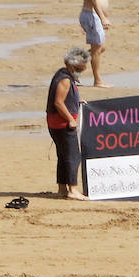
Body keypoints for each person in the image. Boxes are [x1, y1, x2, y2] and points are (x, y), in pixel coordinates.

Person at [47, 47, 90, 201]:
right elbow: (58, 102)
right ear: (75, 66)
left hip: (55, 122)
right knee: (73, 156)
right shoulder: (65, 79)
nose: (85, 69)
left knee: (63, 156)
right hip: (61, 123)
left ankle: (62, 189)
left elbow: (64, 97)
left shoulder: (63, 74)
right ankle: (73, 189)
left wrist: (77, 101)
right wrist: (70, 119)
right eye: (82, 66)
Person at [79, 0, 110, 87]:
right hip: (91, 14)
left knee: (101, 47)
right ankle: (97, 80)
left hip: (96, 15)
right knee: (97, 48)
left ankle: (75, 65)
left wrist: (105, 14)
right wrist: (101, 17)